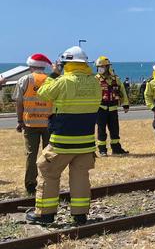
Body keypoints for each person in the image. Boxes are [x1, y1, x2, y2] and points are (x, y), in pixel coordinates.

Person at [26, 46, 102, 225]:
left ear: (65, 63)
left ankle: (45, 214)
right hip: (86, 142)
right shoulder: (94, 82)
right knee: (80, 176)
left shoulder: (62, 81)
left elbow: (43, 94)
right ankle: (80, 215)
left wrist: (54, 74)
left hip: (62, 141)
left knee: (47, 170)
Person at [12, 54, 53, 195]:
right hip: (48, 123)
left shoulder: (24, 80)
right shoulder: (50, 80)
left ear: (31, 66)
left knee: (31, 154)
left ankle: (30, 184)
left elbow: (18, 103)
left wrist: (19, 121)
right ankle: (48, 182)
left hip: (30, 124)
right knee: (48, 154)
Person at [94, 56, 129, 156]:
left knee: (114, 129)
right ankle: (102, 150)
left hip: (113, 109)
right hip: (100, 109)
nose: (100, 69)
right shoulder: (95, 79)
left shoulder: (115, 79)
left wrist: (125, 104)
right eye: (98, 67)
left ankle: (116, 148)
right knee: (101, 130)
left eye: (102, 67)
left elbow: (122, 91)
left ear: (108, 67)